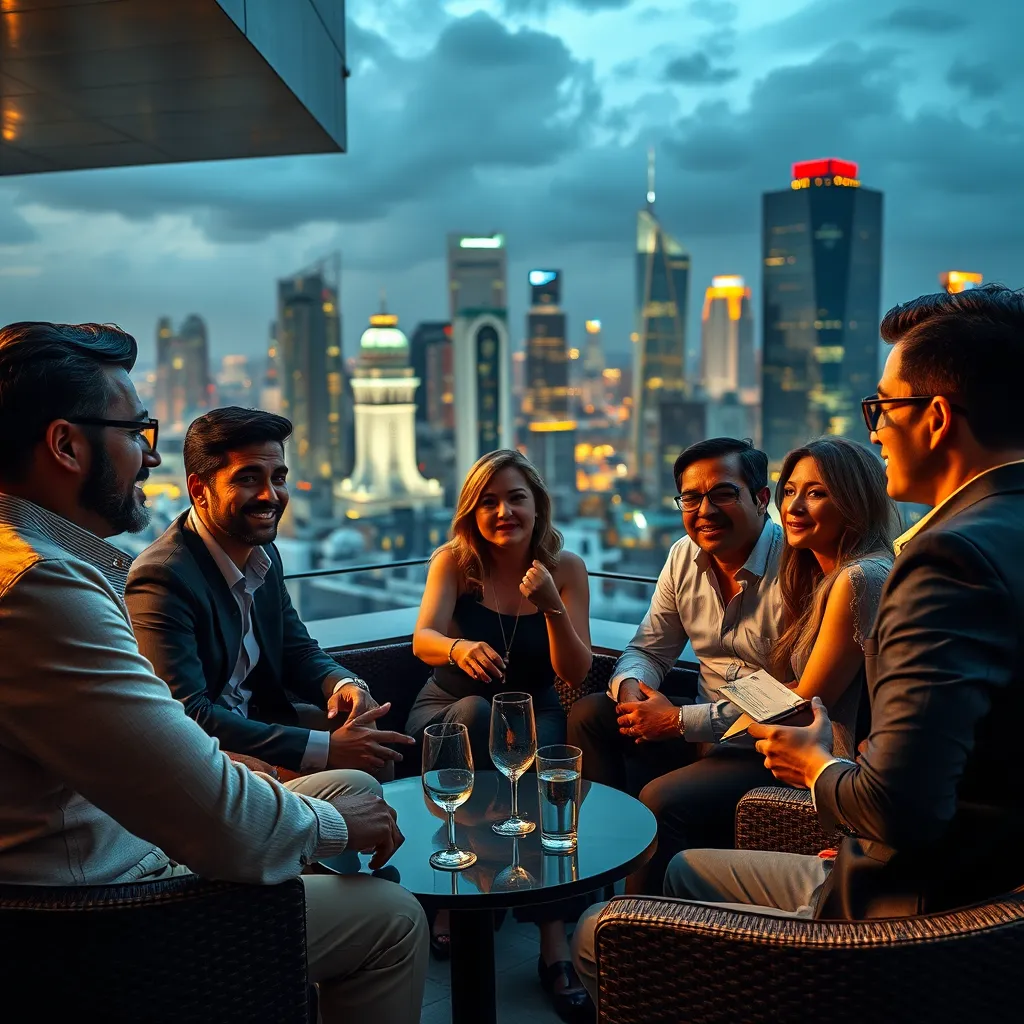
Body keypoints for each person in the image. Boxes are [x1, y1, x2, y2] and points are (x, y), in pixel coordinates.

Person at [574, 283, 1024, 999]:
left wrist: (821, 770)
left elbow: (897, 807)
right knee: (675, 854)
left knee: (602, 939)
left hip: (900, 917)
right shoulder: (997, 533)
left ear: (937, 418)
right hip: (969, 892)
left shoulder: (944, 560)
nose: (874, 432)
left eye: (882, 409)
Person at [0, 322, 427, 1024]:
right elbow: (217, 818)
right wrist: (329, 823)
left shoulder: (39, 565)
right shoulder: (46, 587)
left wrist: (321, 704)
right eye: (136, 430)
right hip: (107, 916)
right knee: (389, 916)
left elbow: (286, 654)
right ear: (66, 445)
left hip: (116, 848)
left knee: (347, 791)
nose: (148, 455)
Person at [125, 407, 413, 780]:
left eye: (278, 477)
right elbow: (188, 716)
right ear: (200, 490)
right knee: (354, 774)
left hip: (261, 725)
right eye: (248, 479)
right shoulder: (163, 577)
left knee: (371, 745)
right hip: (209, 761)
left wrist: (344, 684)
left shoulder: (263, 553)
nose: (270, 495)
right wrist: (325, 749)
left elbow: (296, 648)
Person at [410, 448, 593, 1023]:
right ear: (472, 512)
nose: (503, 511)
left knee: (553, 775)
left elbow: (576, 673)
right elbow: (422, 639)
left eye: (516, 498)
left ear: (537, 506)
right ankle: (463, 889)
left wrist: (552, 607)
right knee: (472, 714)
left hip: (534, 712)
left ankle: (553, 944)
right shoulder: (454, 563)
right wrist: (458, 646)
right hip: (448, 708)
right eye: (488, 502)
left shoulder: (565, 569)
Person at [567, 438, 783, 881]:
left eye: (723, 493)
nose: (704, 509)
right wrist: (632, 695)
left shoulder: (796, 563)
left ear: (761, 499)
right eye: (691, 497)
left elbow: (788, 694)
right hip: (697, 733)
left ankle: (639, 929)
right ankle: (602, 868)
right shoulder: (683, 557)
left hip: (762, 747)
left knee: (662, 798)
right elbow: (648, 648)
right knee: (590, 714)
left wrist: (679, 721)